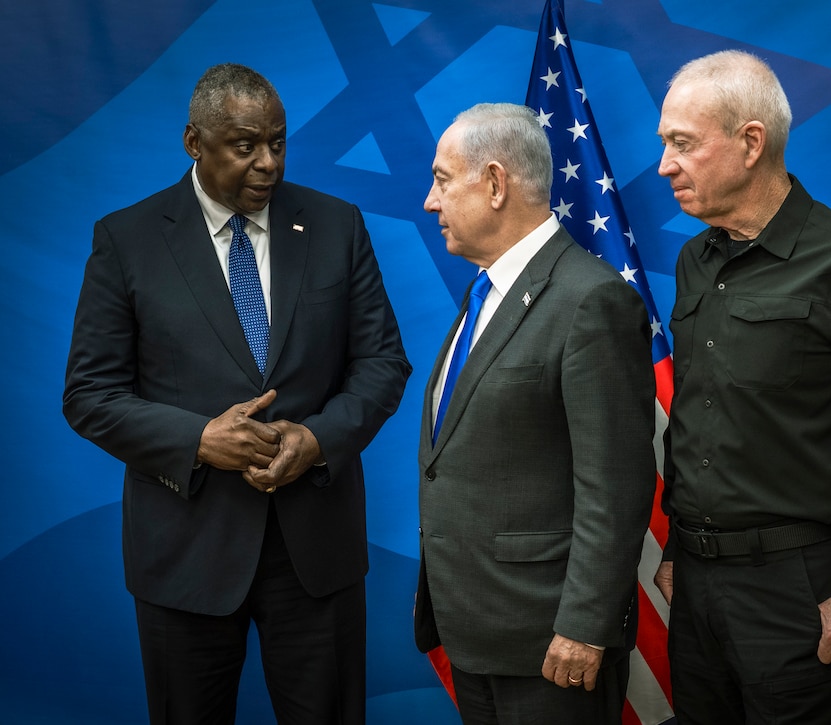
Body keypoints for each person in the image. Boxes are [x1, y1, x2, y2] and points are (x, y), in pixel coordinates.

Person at [62, 63, 410, 724]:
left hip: (316, 552)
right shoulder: (127, 240)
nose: (268, 163)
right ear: (195, 142)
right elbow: (89, 393)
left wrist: (315, 439)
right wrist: (197, 440)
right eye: (245, 146)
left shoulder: (336, 225)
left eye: (278, 142)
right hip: (185, 553)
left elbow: (383, 362)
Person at [653, 50, 831, 724]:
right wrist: (674, 551)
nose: (665, 165)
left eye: (682, 144)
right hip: (695, 581)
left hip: (798, 588)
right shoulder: (698, 260)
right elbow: (699, 419)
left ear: (751, 142)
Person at [413, 102, 657, 724]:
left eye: (443, 180)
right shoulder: (484, 292)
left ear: (495, 184)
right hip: (475, 633)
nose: (430, 202)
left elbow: (617, 485)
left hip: (550, 643)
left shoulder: (590, 300)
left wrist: (585, 626)